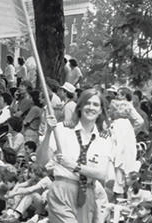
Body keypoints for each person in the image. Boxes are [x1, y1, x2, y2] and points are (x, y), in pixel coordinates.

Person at [37, 89, 113, 223]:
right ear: (80, 107)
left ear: (101, 110)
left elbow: (101, 174)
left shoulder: (104, 139)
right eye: (87, 103)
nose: (91, 107)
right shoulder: (62, 129)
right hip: (62, 189)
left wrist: (73, 166)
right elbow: (42, 161)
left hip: (87, 193)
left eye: (95, 105)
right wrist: (48, 133)